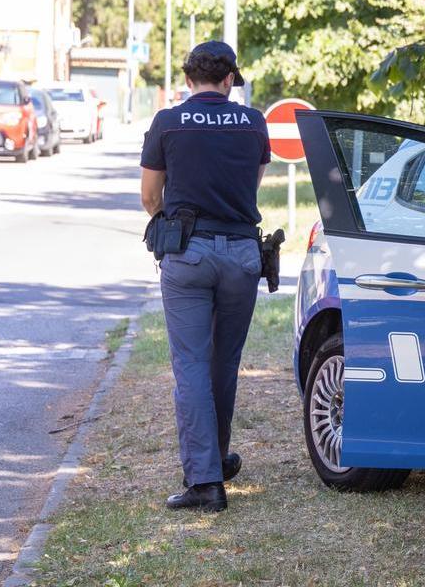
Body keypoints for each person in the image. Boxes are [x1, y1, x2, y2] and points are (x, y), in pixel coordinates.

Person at [139, 41, 270, 512]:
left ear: (187, 79)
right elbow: (250, 186)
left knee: (191, 365)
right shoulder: (254, 122)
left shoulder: (168, 122)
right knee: (224, 363)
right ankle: (215, 457)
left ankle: (205, 481)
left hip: (188, 254)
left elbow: (150, 197)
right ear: (231, 79)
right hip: (241, 253)